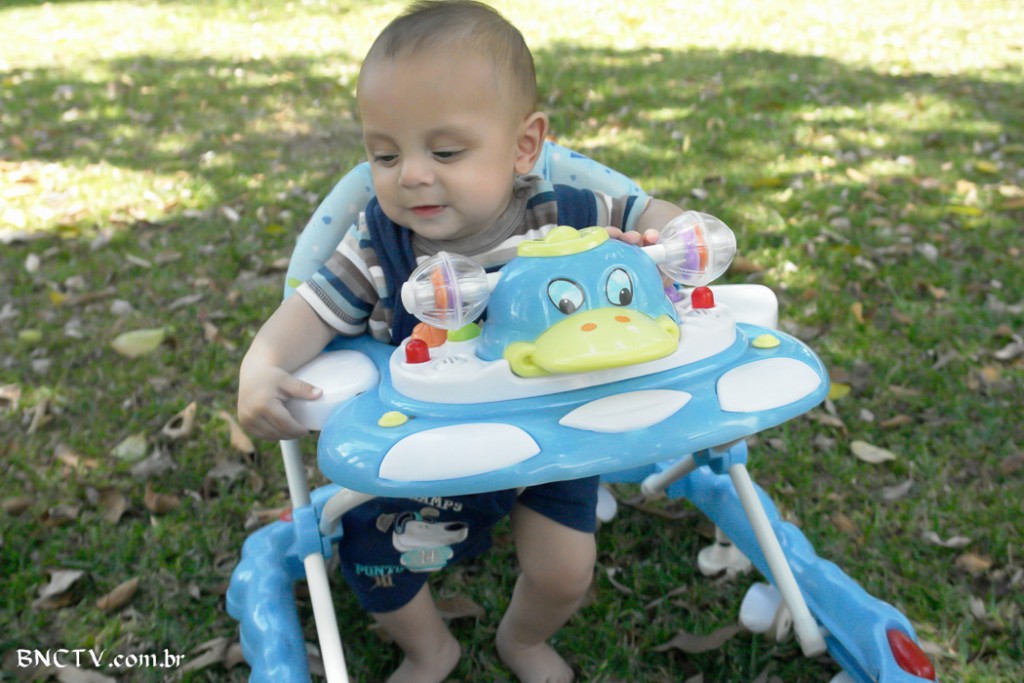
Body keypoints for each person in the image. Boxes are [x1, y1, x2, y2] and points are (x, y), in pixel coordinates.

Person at [237, 2, 685, 681]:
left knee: (565, 571)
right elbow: (312, 310)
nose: (411, 174)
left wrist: (675, 241)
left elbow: (654, 218)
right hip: (422, 450)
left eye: (445, 152)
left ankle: (523, 640)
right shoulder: (380, 246)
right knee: (376, 563)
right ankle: (429, 648)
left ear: (524, 147)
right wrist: (263, 361)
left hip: (551, 438)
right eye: (384, 154)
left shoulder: (563, 216)